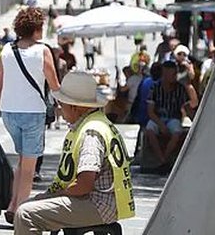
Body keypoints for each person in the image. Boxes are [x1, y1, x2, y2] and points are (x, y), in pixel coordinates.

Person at [13, 72, 135, 234]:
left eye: (61, 105)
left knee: (26, 214)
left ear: (75, 107)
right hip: (104, 200)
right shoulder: (97, 122)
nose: (59, 109)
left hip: (98, 204)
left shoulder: (91, 133)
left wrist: (55, 196)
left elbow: (84, 184)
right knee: (31, 205)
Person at [0, 7, 61, 224]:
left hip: (9, 113)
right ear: (37, 29)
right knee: (29, 166)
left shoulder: (6, 51)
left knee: (21, 160)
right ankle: (21, 211)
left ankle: (12, 205)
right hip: (32, 113)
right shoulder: (43, 51)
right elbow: (54, 85)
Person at [145, 60, 198, 168]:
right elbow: (150, 111)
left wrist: (196, 121)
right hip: (158, 118)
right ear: (165, 74)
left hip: (173, 118)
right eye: (173, 74)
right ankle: (161, 159)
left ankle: (164, 158)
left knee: (177, 132)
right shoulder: (155, 88)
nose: (175, 76)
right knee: (150, 130)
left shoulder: (180, 88)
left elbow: (188, 106)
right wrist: (161, 125)